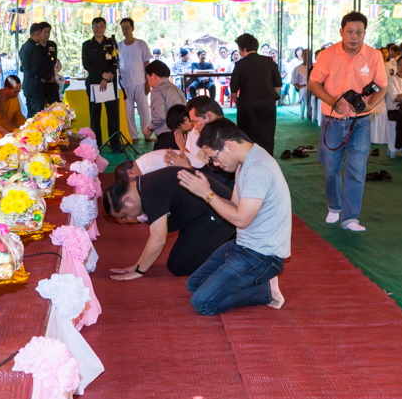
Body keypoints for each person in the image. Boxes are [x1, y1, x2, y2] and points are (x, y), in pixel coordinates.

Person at [176, 118, 291, 314]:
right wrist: (206, 191)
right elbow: (235, 206)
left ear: (229, 146)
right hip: (243, 246)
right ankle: (247, 283)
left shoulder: (258, 168)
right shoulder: (245, 163)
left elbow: (241, 220)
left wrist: (207, 194)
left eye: (214, 158)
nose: (215, 164)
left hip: (262, 256)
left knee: (202, 303)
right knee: (194, 284)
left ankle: (264, 291)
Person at [308, 11, 387, 232]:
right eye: (350, 31)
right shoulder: (327, 55)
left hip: (361, 123)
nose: (354, 36)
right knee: (330, 168)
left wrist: (370, 106)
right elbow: (314, 82)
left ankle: (350, 217)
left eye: (359, 32)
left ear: (364, 34)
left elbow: (382, 86)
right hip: (332, 121)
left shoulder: (373, 55)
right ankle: (334, 206)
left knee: (357, 170)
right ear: (341, 31)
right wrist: (331, 100)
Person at [103, 166, 234, 278]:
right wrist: (138, 264)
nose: (129, 218)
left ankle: (236, 255)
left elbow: (158, 239)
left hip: (221, 215)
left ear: (127, 200)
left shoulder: (151, 192)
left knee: (180, 265)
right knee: (177, 261)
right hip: (201, 216)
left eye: (124, 215)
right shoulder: (145, 185)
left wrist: (139, 270)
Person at [230, 33, 282, 155]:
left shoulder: (240, 65)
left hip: (247, 105)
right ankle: (267, 159)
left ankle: (249, 159)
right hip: (267, 104)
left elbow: (233, 89)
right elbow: (278, 84)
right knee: (267, 135)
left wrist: (236, 101)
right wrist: (270, 96)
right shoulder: (269, 62)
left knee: (246, 136)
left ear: (243, 49)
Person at [82, 17, 121, 152]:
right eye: (96, 26)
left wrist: (107, 77)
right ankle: (96, 145)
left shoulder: (112, 43)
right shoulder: (87, 45)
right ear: (92, 28)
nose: (98, 28)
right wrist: (101, 75)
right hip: (94, 83)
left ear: (105, 27)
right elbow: (86, 65)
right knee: (95, 115)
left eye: (101, 26)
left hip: (109, 82)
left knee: (113, 115)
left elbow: (115, 62)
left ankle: (115, 145)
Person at [118, 17, 152, 144]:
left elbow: (147, 64)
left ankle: (147, 135)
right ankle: (133, 136)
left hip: (140, 82)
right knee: (128, 111)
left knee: (144, 110)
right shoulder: (118, 46)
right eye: (123, 28)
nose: (125, 30)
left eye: (127, 27)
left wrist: (148, 82)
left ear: (132, 28)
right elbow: (117, 65)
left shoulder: (141, 44)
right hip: (125, 83)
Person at [142, 60, 186, 149]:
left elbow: (159, 116)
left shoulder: (157, 90)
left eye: (147, 78)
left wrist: (149, 129)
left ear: (153, 76)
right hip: (181, 136)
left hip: (166, 136)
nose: (148, 81)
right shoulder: (176, 89)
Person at [19, 23, 47, 118]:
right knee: (37, 111)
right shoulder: (34, 48)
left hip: (26, 82)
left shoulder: (24, 46)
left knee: (31, 110)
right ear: (38, 34)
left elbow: (21, 67)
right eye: (42, 34)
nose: (42, 37)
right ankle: (35, 128)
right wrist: (48, 77)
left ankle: (30, 126)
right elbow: (37, 68)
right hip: (34, 82)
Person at [38, 22, 60, 106]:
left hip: (51, 81)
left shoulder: (52, 45)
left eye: (48, 32)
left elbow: (53, 62)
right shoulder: (35, 46)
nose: (46, 34)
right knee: (39, 108)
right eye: (44, 32)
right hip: (39, 82)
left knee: (56, 106)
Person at [291, 50, 310, 118]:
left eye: (308, 54)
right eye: (305, 54)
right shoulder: (298, 68)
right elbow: (294, 82)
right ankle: (309, 109)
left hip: (315, 87)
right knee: (305, 90)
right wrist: (300, 87)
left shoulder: (316, 66)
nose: (306, 56)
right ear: (302, 55)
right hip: (304, 87)